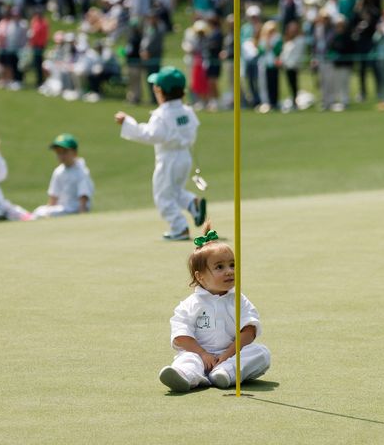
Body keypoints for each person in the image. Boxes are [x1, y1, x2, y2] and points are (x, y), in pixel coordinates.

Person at [158, 228, 271, 392]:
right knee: (187, 360)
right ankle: (184, 376)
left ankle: (225, 374)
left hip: (231, 355)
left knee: (261, 353)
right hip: (199, 355)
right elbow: (181, 337)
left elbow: (249, 331)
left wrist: (226, 356)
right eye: (219, 267)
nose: (229, 271)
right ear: (200, 277)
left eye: (232, 265)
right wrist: (203, 354)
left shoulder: (239, 299)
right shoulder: (189, 305)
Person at [114, 66, 205, 241]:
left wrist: (127, 122)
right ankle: (193, 204)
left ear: (160, 91)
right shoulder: (187, 111)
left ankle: (179, 227)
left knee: (163, 196)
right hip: (185, 156)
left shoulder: (162, 114)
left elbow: (150, 135)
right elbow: (193, 130)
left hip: (168, 158)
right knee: (175, 191)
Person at [31, 133, 94, 218]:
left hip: (74, 211)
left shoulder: (81, 172)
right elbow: (53, 197)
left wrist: (82, 217)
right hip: (62, 209)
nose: (61, 156)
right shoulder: (58, 171)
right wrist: (48, 211)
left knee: (39, 214)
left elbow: (83, 197)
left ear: (74, 153)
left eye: (65, 152)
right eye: (58, 152)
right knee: (39, 211)